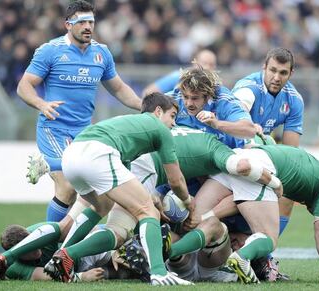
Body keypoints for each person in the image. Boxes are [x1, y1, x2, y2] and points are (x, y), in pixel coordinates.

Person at [43, 93, 193, 286]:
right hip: (98, 154)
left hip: (72, 154)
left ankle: (62, 256)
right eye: (172, 116)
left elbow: (124, 170)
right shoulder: (160, 129)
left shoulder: (128, 123)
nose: (173, 123)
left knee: (101, 207)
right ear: (158, 111)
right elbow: (176, 180)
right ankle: (159, 273)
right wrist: (188, 201)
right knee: (147, 211)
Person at [17, 0, 142, 222]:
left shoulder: (102, 54)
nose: (88, 27)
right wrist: (41, 104)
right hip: (54, 128)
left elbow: (119, 89)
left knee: (103, 202)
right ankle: (48, 250)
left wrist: (145, 107)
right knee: (66, 187)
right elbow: (24, 86)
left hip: (84, 132)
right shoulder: (50, 51)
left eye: (91, 22)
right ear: (68, 25)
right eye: (82, 22)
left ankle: (67, 246)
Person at [195, 145, 319, 284]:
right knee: (268, 237)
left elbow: (238, 199)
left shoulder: (305, 172)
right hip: (261, 169)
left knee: (193, 219)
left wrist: (209, 215)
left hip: (237, 157)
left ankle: (173, 263)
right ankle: (241, 257)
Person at [0, 223, 137, 282]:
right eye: (28, 251)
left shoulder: (42, 231)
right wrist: (81, 277)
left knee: (132, 257)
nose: (35, 250)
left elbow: (84, 229)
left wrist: (114, 249)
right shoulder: (14, 266)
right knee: (123, 274)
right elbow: (45, 275)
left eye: (33, 244)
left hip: (84, 253)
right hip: (77, 269)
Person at [168, 66, 262, 149]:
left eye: (195, 98)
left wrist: (216, 124)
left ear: (208, 96)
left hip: (230, 152)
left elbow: (250, 130)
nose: (188, 103)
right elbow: (154, 112)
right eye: (185, 97)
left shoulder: (223, 100)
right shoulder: (175, 98)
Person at [231, 47, 304, 147]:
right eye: (273, 70)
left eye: (283, 73)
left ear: (291, 74)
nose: (277, 78)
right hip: (228, 142)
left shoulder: (294, 100)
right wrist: (249, 126)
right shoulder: (248, 89)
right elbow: (235, 116)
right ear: (264, 67)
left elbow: (291, 150)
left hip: (258, 146)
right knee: (258, 141)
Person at [142, 49, 217, 97]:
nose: (207, 67)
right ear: (195, 63)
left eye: (211, 64)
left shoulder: (215, 86)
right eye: (204, 63)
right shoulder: (178, 77)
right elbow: (148, 92)